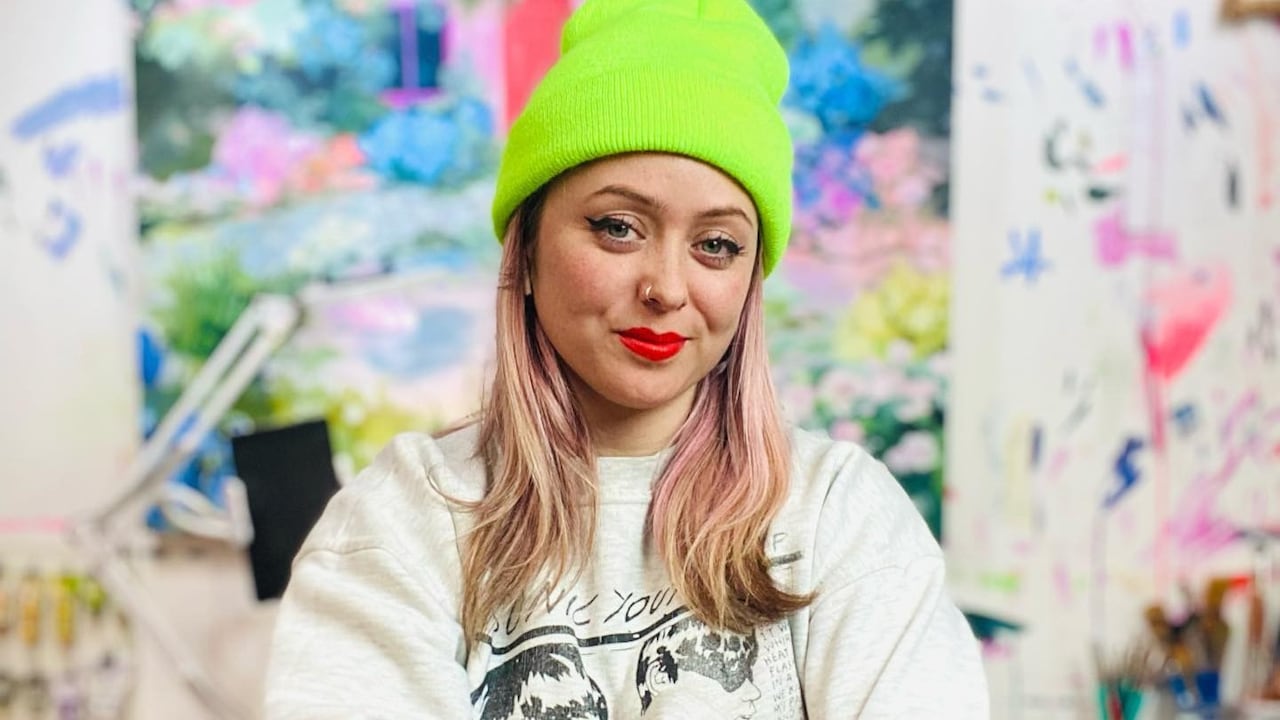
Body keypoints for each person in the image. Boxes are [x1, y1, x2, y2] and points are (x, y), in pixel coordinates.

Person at [263, 0, 989, 717]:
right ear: (530, 245)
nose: (667, 289)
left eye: (717, 245)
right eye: (618, 227)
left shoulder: (841, 518)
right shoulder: (402, 526)